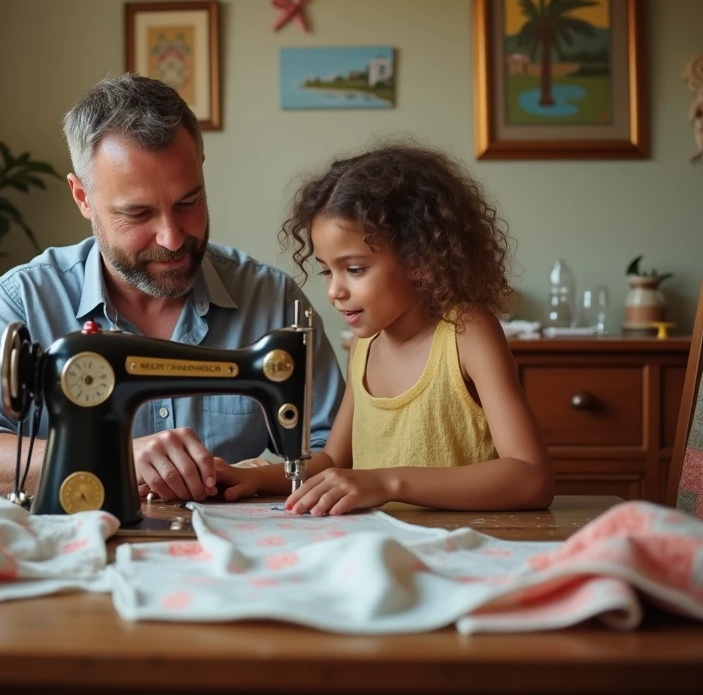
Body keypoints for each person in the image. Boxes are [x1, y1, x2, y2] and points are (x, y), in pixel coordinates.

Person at [0, 74, 344, 502]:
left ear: (201, 165)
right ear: (82, 196)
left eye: (187, 202)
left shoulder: (272, 301)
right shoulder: (25, 301)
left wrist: (257, 473)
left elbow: (340, 450)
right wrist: (104, 456)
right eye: (138, 213)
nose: (172, 238)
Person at [214, 142, 554, 515]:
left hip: (459, 550)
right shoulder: (365, 345)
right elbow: (332, 462)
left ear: (420, 259)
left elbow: (530, 478)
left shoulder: (466, 332)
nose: (334, 291)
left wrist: (387, 483)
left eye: (355, 269)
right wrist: (253, 478)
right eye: (328, 270)